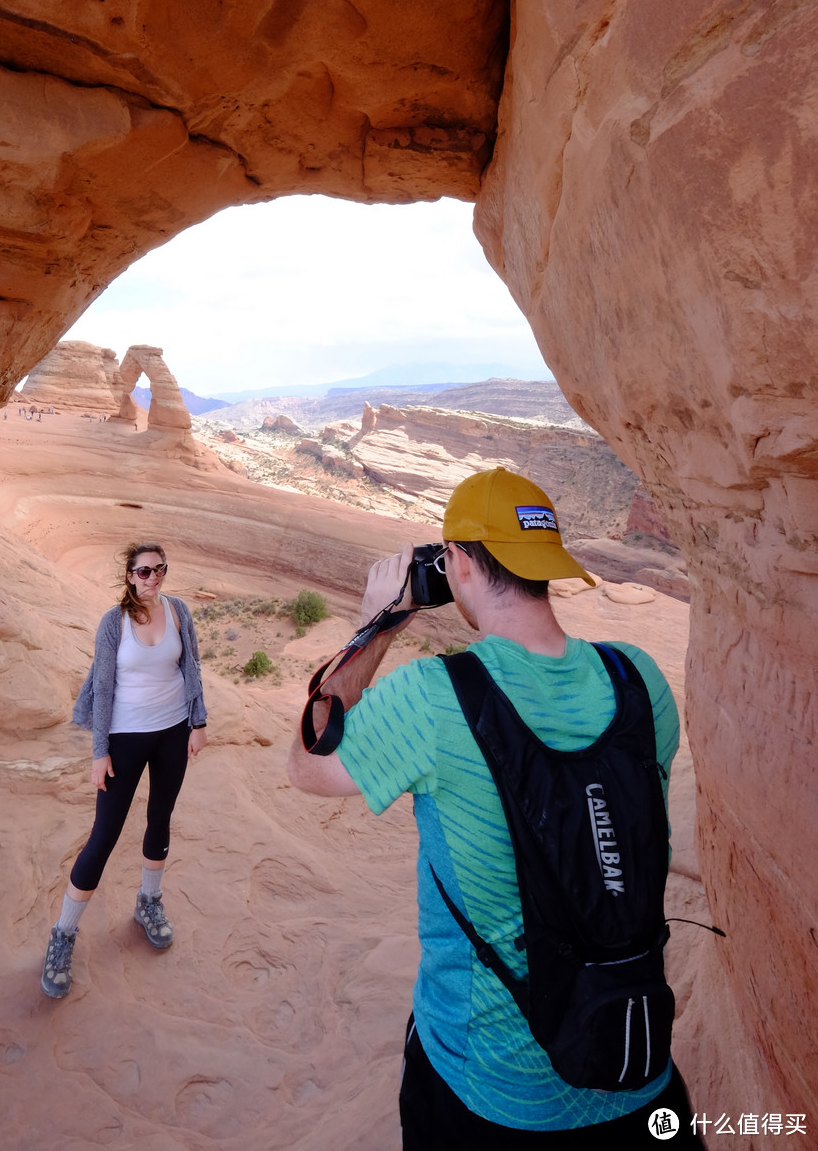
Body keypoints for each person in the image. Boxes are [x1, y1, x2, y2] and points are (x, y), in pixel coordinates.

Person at [288, 467, 700, 1148]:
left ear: (456, 565)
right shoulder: (639, 679)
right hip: (638, 1068)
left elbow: (308, 764)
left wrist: (376, 626)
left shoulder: (436, 696)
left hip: (492, 1090)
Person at [41, 541, 208, 998]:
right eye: (144, 572)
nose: (153, 578)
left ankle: (148, 902)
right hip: (126, 737)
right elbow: (102, 686)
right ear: (130, 577)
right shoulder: (113, 623)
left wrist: (199, 720)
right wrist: (100, 752)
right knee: (104, 835)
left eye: (160, 570)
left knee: (160, 819)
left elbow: (190, 665)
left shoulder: (179, 611)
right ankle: (63, 934)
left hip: (173, 729)